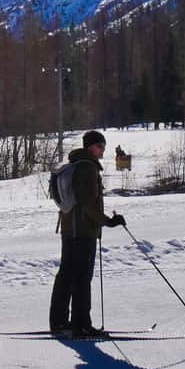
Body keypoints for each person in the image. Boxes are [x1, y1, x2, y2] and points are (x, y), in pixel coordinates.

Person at [49, 130, 126, 339]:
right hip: (83, 231)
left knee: (66, 274)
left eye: (103, 146)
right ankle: (81, 325)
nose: (102, 150)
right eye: (100, 146)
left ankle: (59, 322)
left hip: (69, 229)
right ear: (90, 146)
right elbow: (87, 203)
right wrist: (107, 222)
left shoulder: (75, 166)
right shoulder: (87, 168)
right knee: (82, 277)